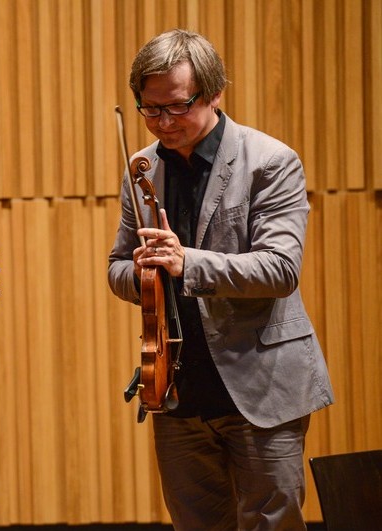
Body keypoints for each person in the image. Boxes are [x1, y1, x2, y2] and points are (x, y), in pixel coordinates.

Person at [107, 29, 334, 530]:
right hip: (175, 386)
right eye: (150, 108)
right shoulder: (140, 170)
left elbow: (280, 269)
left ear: (213, 93)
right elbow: (117, 269)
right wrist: (144, 271)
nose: (163, 122)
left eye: (178, 106)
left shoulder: (270, 162)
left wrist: (186, 262)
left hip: (262, 383)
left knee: (269, 524)